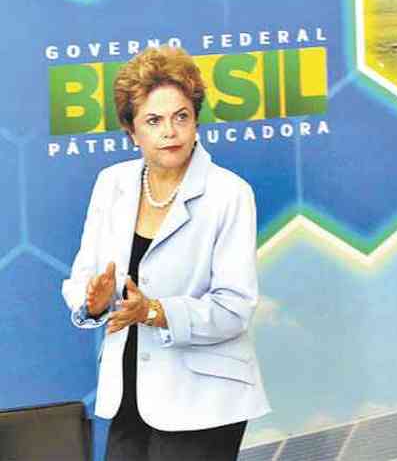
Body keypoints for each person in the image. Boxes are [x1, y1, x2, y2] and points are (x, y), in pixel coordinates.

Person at [61, 46, 270, 460]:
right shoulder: (111, 184)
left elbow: (234, 307)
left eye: (181, 117)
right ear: (132, 131)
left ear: (195, 121)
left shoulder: (229, 194)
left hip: (205, 400)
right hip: (128, 395)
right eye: (154, 121)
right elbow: (82, 278)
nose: (170, 132)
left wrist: (154, 311)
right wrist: (94, 303)